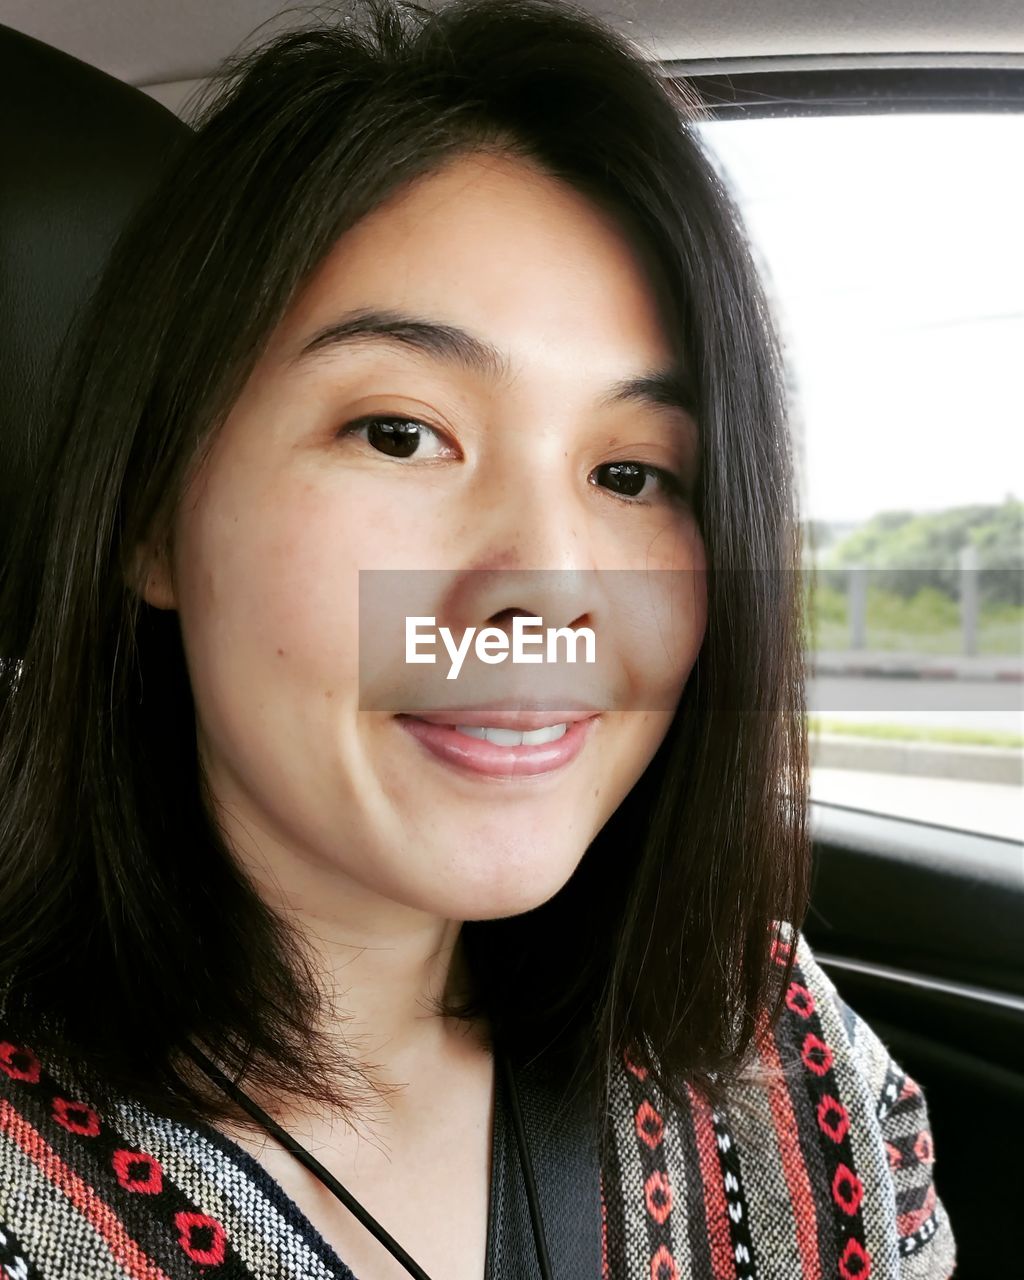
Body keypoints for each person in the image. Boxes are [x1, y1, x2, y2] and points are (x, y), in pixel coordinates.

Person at [0, 1, 956, 1277]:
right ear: (153, 519)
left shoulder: (769, 1031)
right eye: (399, 432)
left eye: (631, 473)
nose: (551, 590)